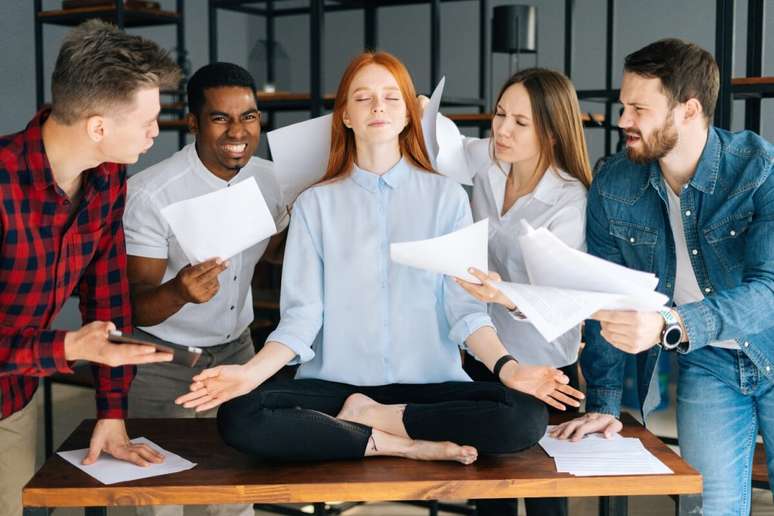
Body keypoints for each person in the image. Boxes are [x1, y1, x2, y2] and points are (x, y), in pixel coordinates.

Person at [176, 51, 583, 464]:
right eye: (363, 97)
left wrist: (510, 369)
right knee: (240, 415)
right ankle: (397, 442)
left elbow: (466, 311)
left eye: (391, 98)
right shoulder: (315, 204)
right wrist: (247, 374)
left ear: (408, 114)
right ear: (346, 116)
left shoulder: (447, 199)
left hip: (431, 388)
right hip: (338, 387)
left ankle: (373, 422)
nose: (378, 107)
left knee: (526, 417)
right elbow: (301, 319)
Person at [551, 39, 774, 516]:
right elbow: (608, 298)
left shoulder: (759, 169)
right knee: (706, 510)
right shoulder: (615, 183)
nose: (623, 120)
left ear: (688, 110)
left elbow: (769, 292)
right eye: (622, 106)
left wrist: (672, 322)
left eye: (639, 109)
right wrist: (605, 405)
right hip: (709, 363)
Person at [0, 20, 180, 516]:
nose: (154, 133)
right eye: (148, 120)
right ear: (98, 127)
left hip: (12, 396)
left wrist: (112, 412)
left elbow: (107, 300)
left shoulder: (107, 179)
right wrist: (67, 347)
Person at [123, 62, 287, 516]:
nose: (238, 131)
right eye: (220, 117)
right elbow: (136, 304)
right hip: (163, 359)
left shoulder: (273, 180)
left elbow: (271, 254)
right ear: (194, 121)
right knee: (162, 500)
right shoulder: (151, 193)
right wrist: (178, 290)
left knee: (235, 493)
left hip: (239, 353)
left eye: (249, 116)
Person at [450, 68, 592, 516]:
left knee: (544, 494)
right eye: (499, 114)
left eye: (520, 122)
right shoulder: (488, 165)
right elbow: (439, 146)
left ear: (551, 133)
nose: (502, 129)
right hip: (485, 354)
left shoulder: (570, 200)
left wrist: (502, 295)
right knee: (491, 492)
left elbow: (563, 298)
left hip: (544, 364)